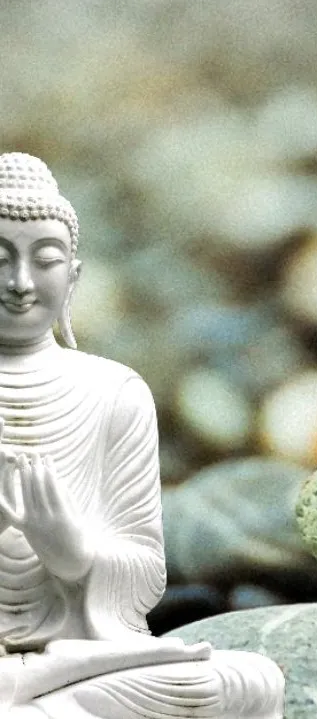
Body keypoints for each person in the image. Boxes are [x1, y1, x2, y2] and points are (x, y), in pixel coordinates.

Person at [0, 153, 284, 718]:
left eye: (46, 259)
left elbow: (148, 573)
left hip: (83, 657)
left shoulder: (115, 391)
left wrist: (73, 552)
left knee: (252, 680)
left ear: (74, 276)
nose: (22, 282)